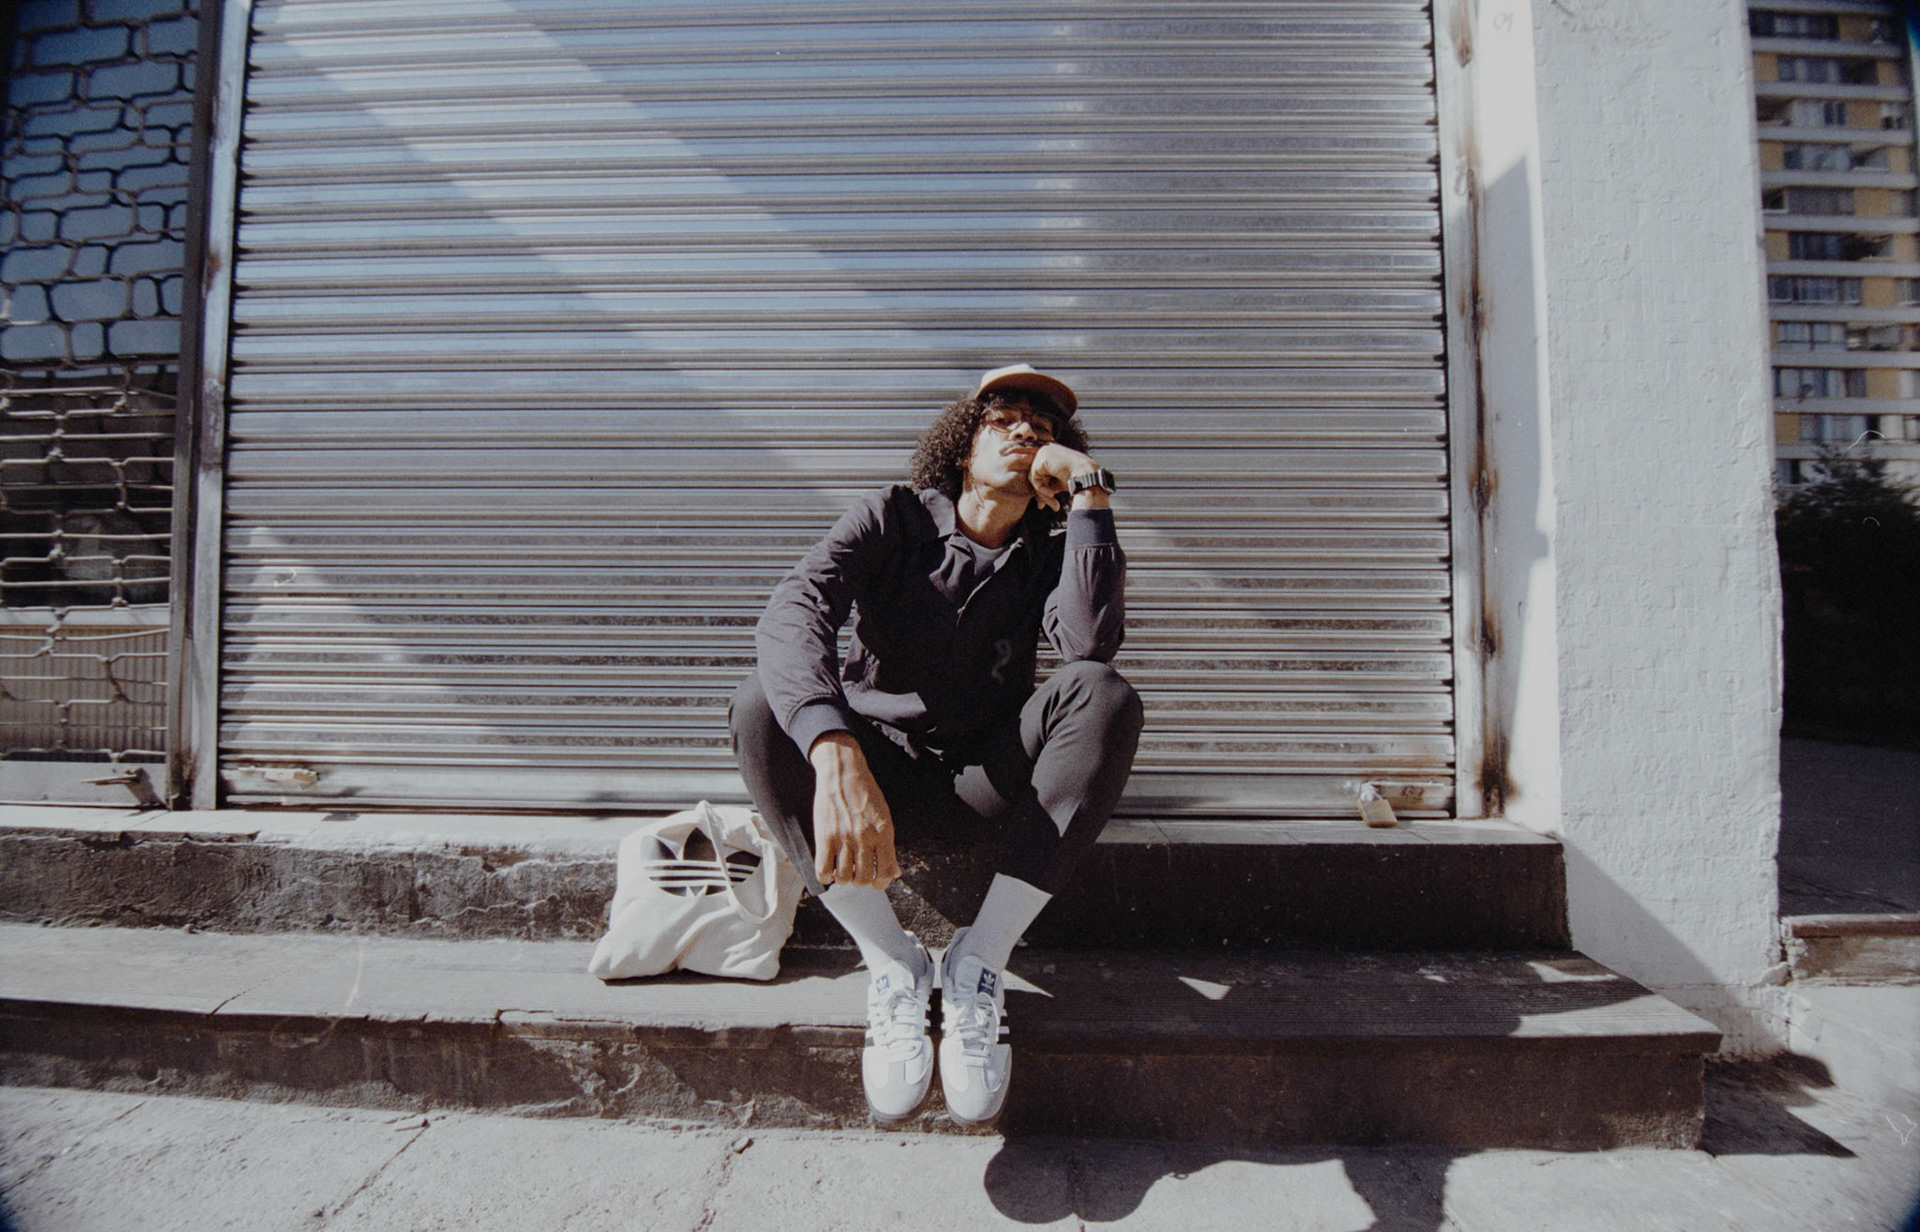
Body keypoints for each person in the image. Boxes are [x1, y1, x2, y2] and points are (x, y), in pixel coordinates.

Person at [728, 363, 1144, 1128]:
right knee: (761, 706)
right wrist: (833, 749)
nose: (1026, 432)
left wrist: (1089, 489)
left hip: (987, 780)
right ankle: (894, 962)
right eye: (1004, 419)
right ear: (962, 444)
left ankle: (978, 962)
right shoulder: (893, 516)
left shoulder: (1050, 549)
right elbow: (796, 607)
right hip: (877, 777)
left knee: (1103, 694)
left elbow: (1090, 646)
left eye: (1044, 430)